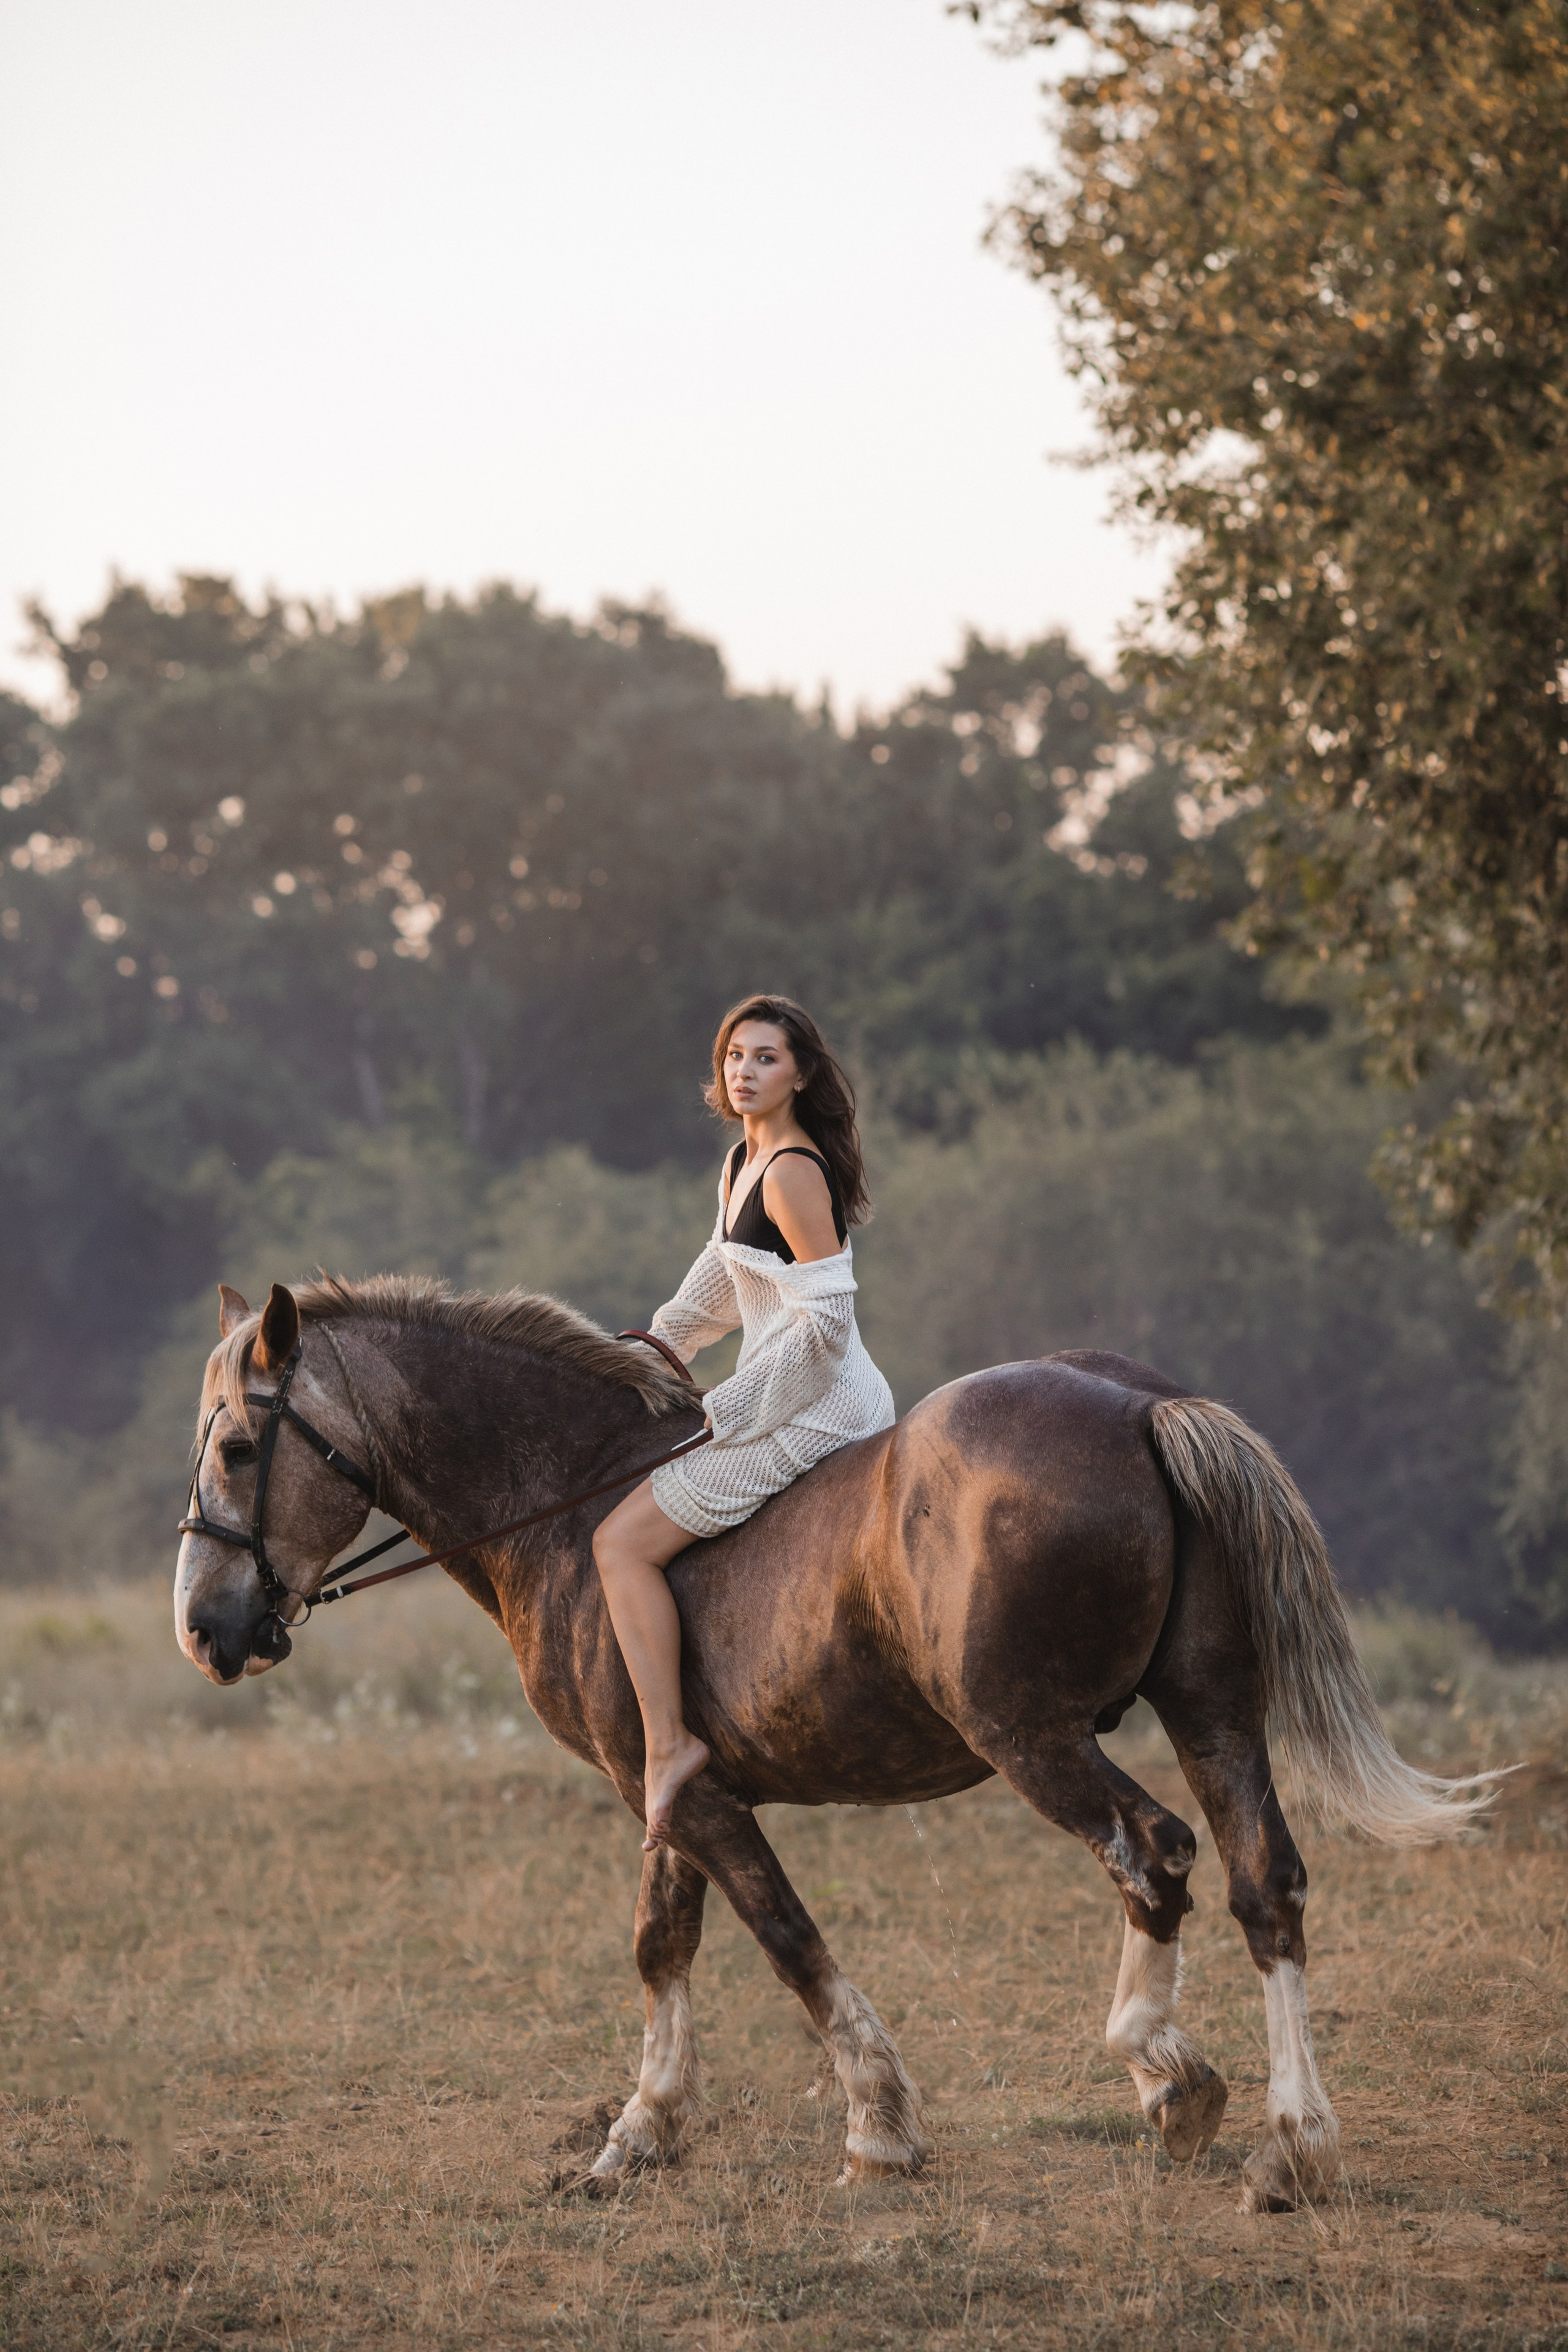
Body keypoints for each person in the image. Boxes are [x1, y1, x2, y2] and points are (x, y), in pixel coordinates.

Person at [592, 993, 895, 1850]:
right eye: (735, 1056)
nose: (745, 1071)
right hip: (776, 1389)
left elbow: (825, 1328)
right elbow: (723, 1279)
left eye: (766, 1057)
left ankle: (669, 1745)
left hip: (821, 1403)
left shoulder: (796, 1170)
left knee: (619, 1544)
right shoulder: (741, 1163)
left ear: (800, 1073)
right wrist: (650, 1351)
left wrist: (723, 1412)